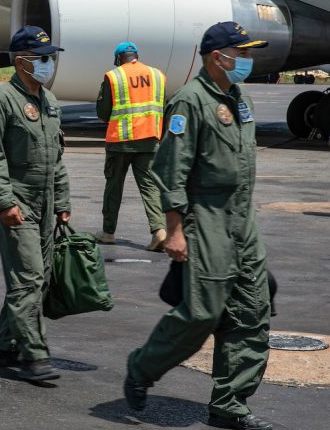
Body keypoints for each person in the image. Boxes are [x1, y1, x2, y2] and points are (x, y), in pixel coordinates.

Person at [125, 22, 273, 430]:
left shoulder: (239, 98)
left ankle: (230, 404)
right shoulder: (190, 102)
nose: (247, 60)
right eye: (240, 53)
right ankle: (141, 368)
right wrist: (174, 230)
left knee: (251, 312)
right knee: (202, 313)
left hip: (242, 219)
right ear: (217, 57)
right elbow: (170, 172)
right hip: (205, 218)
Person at [0, 25, 71, 382]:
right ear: (21, 62)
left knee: (37, 278)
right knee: (29, 279)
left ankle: (6, 347)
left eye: (51, 57)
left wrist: (62, 200)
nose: (49, 64)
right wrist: (5, 202)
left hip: (46, 201)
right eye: (42, 58)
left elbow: (57, 158)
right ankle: (34, 356)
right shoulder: (1, 102)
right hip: (19, 201)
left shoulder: (49, 101)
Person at [95, 42, 167, 250]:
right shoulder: (156, 75)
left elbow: (103, 113)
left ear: (119, 59)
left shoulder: (114, 76)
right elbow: (162, 106)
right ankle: (159, 231)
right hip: (149, 139)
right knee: (149, 187)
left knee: (114, 187)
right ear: (136, 56)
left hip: (121, 142)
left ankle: (108, 232)